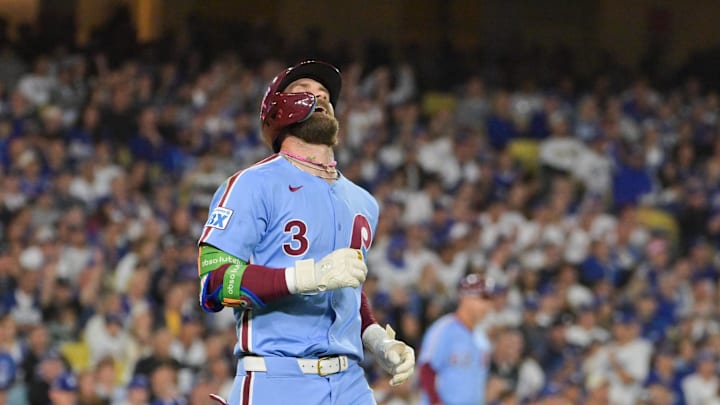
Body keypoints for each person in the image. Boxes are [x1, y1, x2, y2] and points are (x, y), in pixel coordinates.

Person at [196, 60, 415, 405]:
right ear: (275, 107)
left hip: (350, 382)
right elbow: (214, 282)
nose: (319, 98)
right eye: (304, 92)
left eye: (325, 95)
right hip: (278, 377)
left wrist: (375, 338)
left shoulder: (363, 202)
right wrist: (307, 276)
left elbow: (347, 288)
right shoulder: (251, 184)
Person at [418, 273, 501, 405]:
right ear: (465, 298)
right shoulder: (444, 329)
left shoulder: (482, 339)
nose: (487, 306)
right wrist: (436, 402)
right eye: (482, 298)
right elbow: (426, 370)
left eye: (489, 300)